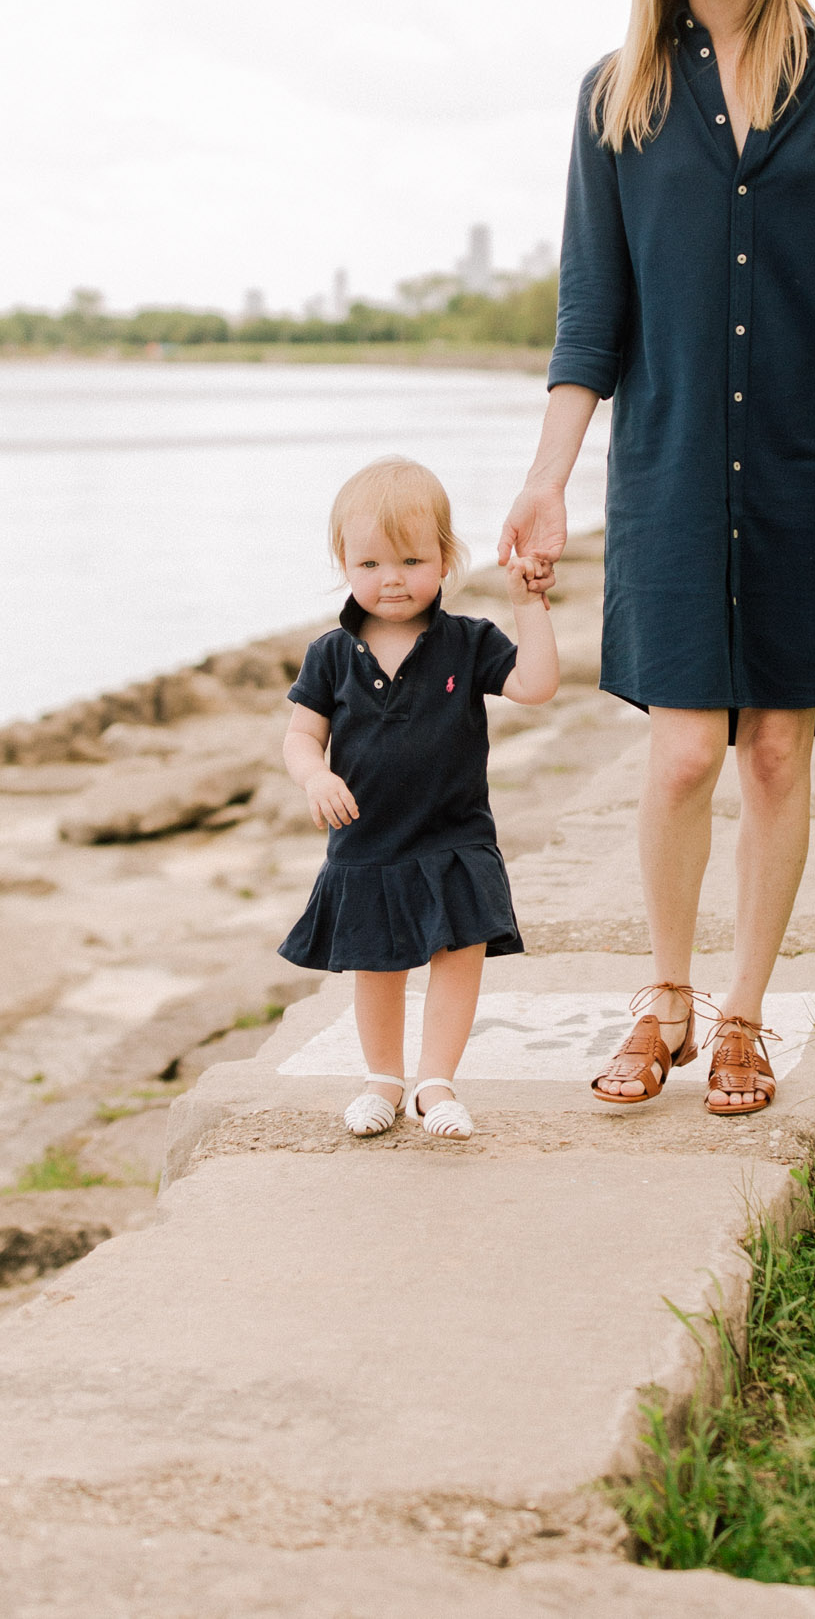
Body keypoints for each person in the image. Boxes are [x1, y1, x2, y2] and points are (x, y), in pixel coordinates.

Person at [498, 0, 815, 1118]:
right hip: (675, 468)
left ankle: (745, 1013)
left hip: (809, 462)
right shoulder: (617, 95)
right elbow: (594, 315)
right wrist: (546, 478)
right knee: (685, 752)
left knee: (780, 757)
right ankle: (668, 997)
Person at [278, 455, 558, 1139]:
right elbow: (299, 736)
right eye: (370, 564)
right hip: (368, 841)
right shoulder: (331, 655)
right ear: (344, 561)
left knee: (457, 958)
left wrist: (530, 606)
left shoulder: (468, 642)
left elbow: (537, 686)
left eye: (410, 559)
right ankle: (382, 1078)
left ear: (444, 560)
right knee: (377, 965)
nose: (392, 578)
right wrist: (316, 777)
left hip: (454, 836)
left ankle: (435, 1083)